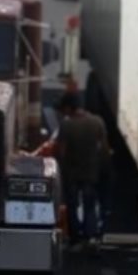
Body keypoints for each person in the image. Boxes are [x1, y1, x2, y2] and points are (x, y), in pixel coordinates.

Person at [54, 90, 110, 252]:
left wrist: (61, 168)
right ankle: (90, 236)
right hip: (91, 172)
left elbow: (62, 151)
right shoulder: (97, 121)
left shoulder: (67, 125)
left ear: (68, 108)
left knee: (72, 206)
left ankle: (75, 239)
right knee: (90, 205)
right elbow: (104, 149)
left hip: (72, 174)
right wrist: (103, 168)